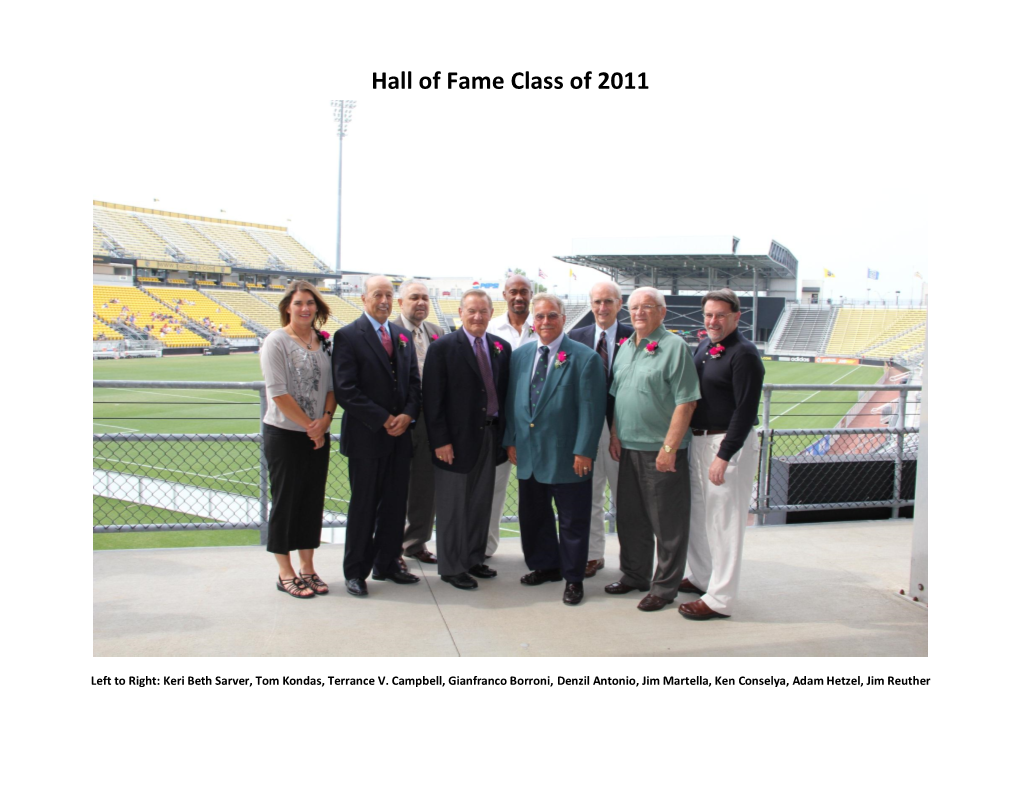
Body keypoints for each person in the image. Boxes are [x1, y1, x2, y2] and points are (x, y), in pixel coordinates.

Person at [504, 293, 606, 605]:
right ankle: (545, 565)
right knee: (534, 516)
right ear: (532, 322)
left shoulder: (585, 358)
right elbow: (512, 401)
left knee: (573, 520)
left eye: (551, 316)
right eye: (539, 317)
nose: (545, 322)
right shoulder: (520, 356)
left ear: (563, 319)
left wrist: (584, 451)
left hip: (568, 456)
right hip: (529, 453)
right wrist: (510, 439)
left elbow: (592, 409)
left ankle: (573, 578)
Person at [606, 287, 700, 612]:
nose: (639, 313)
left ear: (662, 311)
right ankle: (635, 575)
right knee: (631, 519)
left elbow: (687, 402)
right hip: (628, 448)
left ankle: (665, 587)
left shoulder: (674, 347)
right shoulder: (625, 347)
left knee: (668, 524)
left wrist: (670, 447)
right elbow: (618, 396)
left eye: (647, 307)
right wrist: (615, 434)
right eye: (633, 308)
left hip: (660, 452)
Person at [332, 275, 422, 597]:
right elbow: (346, 390)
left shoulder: (401, 335)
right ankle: (355, 571)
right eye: (377, 295)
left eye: (388, 295)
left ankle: (388, 563)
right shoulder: (347, 336)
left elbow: (414, 383)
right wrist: (384, 419)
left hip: (400, 438)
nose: (383, 300)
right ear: (364, 298)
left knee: (396, 505)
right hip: (367, 438)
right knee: (364, 507)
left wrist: (408, 415)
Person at [679, 289, 765, 621]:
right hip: (699, 441)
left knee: (724, 522)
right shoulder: (705, 347)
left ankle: (720, 598)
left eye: (720, 315)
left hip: (726, 444)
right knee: (700, 515)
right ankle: (702, 578)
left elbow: (745, 410)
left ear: (736, 317)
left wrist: (724, 454)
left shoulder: (744, 354)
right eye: (708, 315)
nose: (713, 321)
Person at [422, 290, 512, 589]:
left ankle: (474, 558)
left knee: (480, 503)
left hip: (489, 436)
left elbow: (504, 395)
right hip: (454, 441)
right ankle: (451, 566)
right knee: (453, 506)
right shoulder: (443, 348)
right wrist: (440, 441)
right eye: (471, 311)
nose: (477, 317)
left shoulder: (501, 347)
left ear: (491, 313)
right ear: (460, 313)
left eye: (483, 311)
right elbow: (432, 400)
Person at [260, 280, 335, 599]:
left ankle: (308, 566)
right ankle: (285, 571)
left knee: (311, 502)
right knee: (286, 501)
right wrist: (310, 426)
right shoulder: (276, 341)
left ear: (317, 307)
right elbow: (277, 392)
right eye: (298, 303)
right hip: (285, 435)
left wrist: (325, 422)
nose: (304, 308)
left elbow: (333, 389)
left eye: (310, 303)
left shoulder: (323, 342)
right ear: (287, 308)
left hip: (319, 433)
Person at [567, 281, 634, 578]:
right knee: (589, 495)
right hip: (586, 428)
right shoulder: (576, 337)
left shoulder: (634, 337)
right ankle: (593, 556)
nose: (602, 308)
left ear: (619, 304)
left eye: (608, 301)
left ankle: (633, 559)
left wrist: (618, 431)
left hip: (623, 428)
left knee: (627, 497)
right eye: (597, 302)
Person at [484, 274, 537, 556]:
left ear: (531, 294)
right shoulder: (490, 329)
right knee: (493, 490)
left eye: (524, 292)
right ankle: (486, 548)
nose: (519, 297)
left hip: (539, 425)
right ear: (504, 294)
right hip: (499, 424)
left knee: (538, 492)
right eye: (514, 291)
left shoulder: (543, 326)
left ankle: (539, 552)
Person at [394, 279, 444, 564]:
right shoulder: (390, 332)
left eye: (425, 297)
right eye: (414, 297)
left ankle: (415, 543)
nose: (421, 302)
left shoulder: (436, 332)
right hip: (399, 421)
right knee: (396, 486)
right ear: (401, 303)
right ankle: (391, 546)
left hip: (429, 422)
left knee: (425, 487)